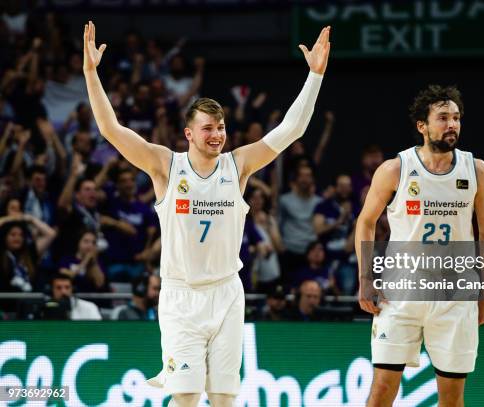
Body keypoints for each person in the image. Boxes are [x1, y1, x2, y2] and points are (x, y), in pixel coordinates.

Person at [82, 21, 330, 407]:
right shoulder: (165, 166)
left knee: (224, 399)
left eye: (222, 127)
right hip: (181, 297)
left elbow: (291, 130)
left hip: (227, 293)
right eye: (209, 128)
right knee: (184, 397)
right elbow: (111, 129)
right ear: (188, 134)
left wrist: (314, 76)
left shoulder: (239, 164)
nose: (217, 134)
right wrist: (90, 74)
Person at [355, 85, 484, 407]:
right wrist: (366, 278)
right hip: (401, 292)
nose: (452, 125)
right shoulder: (396, 168)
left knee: (451, 399)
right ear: (422, 125)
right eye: (443, 118)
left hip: (455, 295)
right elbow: (365, 222)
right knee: (381, 392)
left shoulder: (477, 170)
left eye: (457, 118)